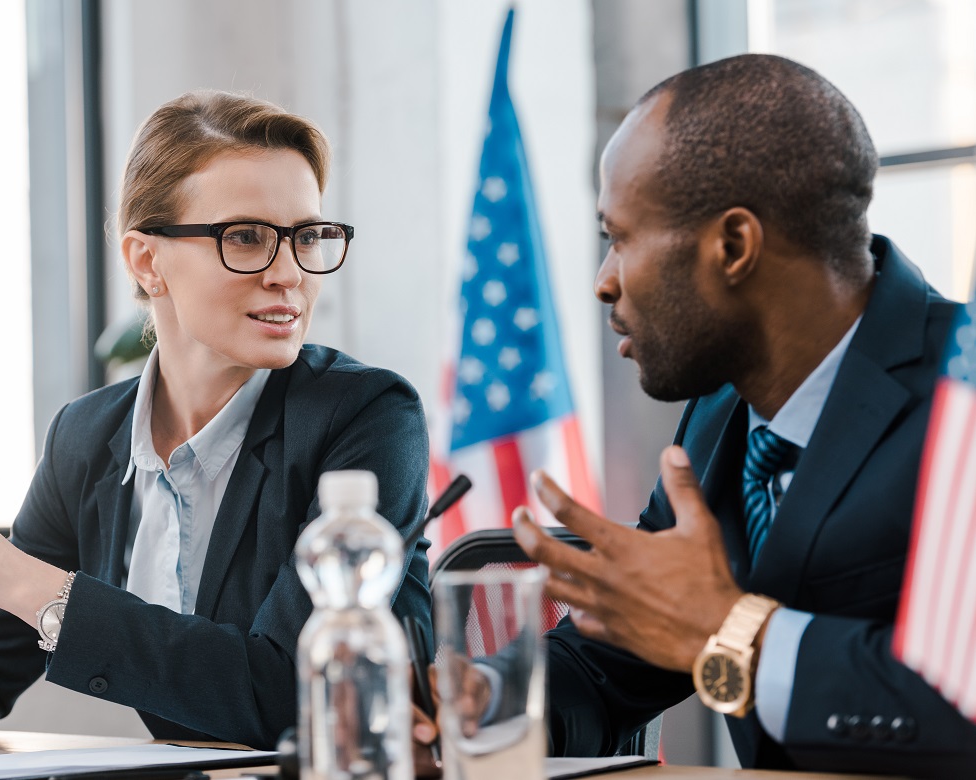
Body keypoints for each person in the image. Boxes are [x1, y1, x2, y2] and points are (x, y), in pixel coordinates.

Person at [413, 54, 976, 776]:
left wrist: (729, 629)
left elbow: (956, 699)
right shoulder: (719, 408)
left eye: (620, 237)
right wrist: (483, 700)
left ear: (733, 247)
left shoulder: (960, 389)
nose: (603, 282)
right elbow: (620, 659)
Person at [0, 90, 433, 749]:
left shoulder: (366, 418)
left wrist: (22, 580)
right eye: (246, 237)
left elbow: (294, 695)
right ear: (146, 260)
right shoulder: (87, 437)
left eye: (307, 236)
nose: (288, 274)